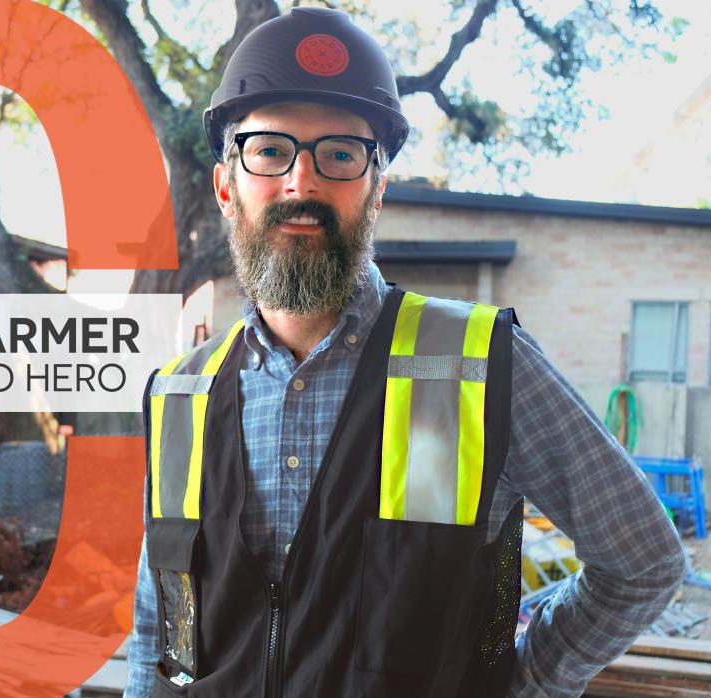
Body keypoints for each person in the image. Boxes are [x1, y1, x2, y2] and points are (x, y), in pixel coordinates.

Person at [124, 7, 687, 697]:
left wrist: (521, 684)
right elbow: (160, 624)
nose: (302, 183)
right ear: (226, 187)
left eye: (339, 154)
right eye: (269, 151)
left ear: (376, 189)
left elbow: (643, 561)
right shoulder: (177, 395)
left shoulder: (480, 365)